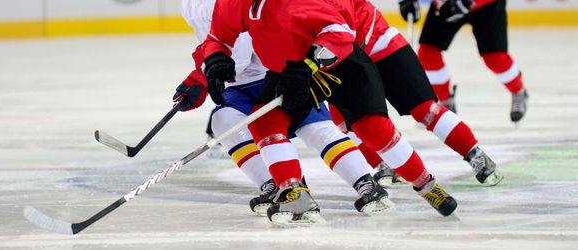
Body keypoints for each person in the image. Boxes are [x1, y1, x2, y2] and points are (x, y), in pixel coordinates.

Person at [201, 0, 458, 224]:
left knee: (374, 130)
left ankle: (427, 186)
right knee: (265, 121)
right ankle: (293, 191)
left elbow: (340, 33)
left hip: (342, 66)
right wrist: (216, 60)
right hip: (291, 70)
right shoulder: (233, 3)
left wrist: (310, 64)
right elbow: (219, 36)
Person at [175, 0, 393, 220]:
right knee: (223, 119)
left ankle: (364, 181)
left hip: (281, 73)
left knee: (314, 126)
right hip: (240, 86)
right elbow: (212, 43)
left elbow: (237, 56)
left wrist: (202, 78)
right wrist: (200, 74)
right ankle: (275, 185)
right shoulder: (191, 4)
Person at [327, 0, 502, 187]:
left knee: (425, 110)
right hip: (342, 59)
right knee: (344, 119)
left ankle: (475, 155)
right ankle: (385, 164)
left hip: (377, 41)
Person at [399, 0, 529, 122]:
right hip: (447, 3)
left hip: (487, 6)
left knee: (495, 58)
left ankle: (519, 90)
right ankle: (446, 103)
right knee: (428, 53)